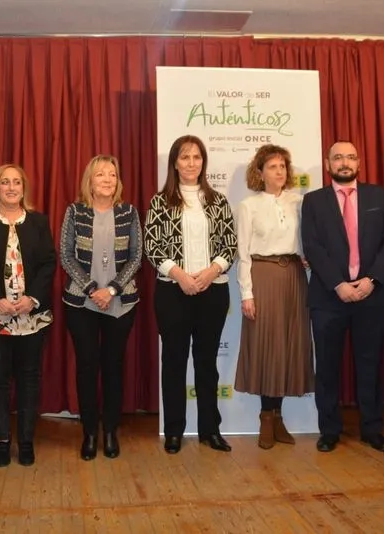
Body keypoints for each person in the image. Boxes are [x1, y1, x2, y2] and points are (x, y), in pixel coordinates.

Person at [301, 140, 384, 453]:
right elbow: (312, 246)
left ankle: (372, 429)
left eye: (351, 157)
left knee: (370, 366)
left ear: (359, 163)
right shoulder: (313, 201)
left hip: (371, 295)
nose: (345, 162)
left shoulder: (378, 196)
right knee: (327, 368)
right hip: (329, 297)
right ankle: (329, 430)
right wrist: (338, 284)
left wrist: (372, 280)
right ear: (328, 164)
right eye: (338, 157)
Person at [145, 134, 237, 455]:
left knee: (206, 363)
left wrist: (211, 272)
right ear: (174, 163)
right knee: (174, 362)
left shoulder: (218, 201)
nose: (191, 163)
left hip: (213, 292)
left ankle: (210, 430)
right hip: (173, 291)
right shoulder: (160, 202)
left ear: (203, 162)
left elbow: (230, 244)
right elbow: (153, 246)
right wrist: (181, 275)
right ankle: (173, 431)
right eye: (185, 157)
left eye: (197, 157)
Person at [0, 164, 56, 467]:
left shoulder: (38, 221)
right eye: (5, 182)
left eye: (16, 182)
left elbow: (48, 262)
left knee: (29, 379)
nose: (11, 187)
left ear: (23, 188)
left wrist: (33, 298)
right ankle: (2, 441)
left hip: (31, 316)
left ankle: (26, 441)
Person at [60, 155, 143, 461]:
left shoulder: (129, 212)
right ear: (90, 181)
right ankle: (89, 433)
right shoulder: (75, 211)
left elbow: (136, 256)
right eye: (100, 175)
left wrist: (112, 289)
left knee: (113, 368)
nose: (107, 179)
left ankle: (110, 431)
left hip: (120, 303)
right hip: (82, 303)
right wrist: (92, 289)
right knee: (86, 367)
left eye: (112, 174)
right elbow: (66, 255)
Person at [233, 144, 314, 449]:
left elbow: (305, 239)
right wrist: (247, 293)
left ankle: (279, 418)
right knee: (266, 346)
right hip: (263, 276)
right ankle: (266, 417)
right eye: (272, 167)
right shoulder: (248, 206)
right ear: (260, 172)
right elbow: (243, 253)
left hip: (293, 276)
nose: (279, 171)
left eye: (282, 166)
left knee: (288, 346)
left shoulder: (299, 202)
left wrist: (307, 257)